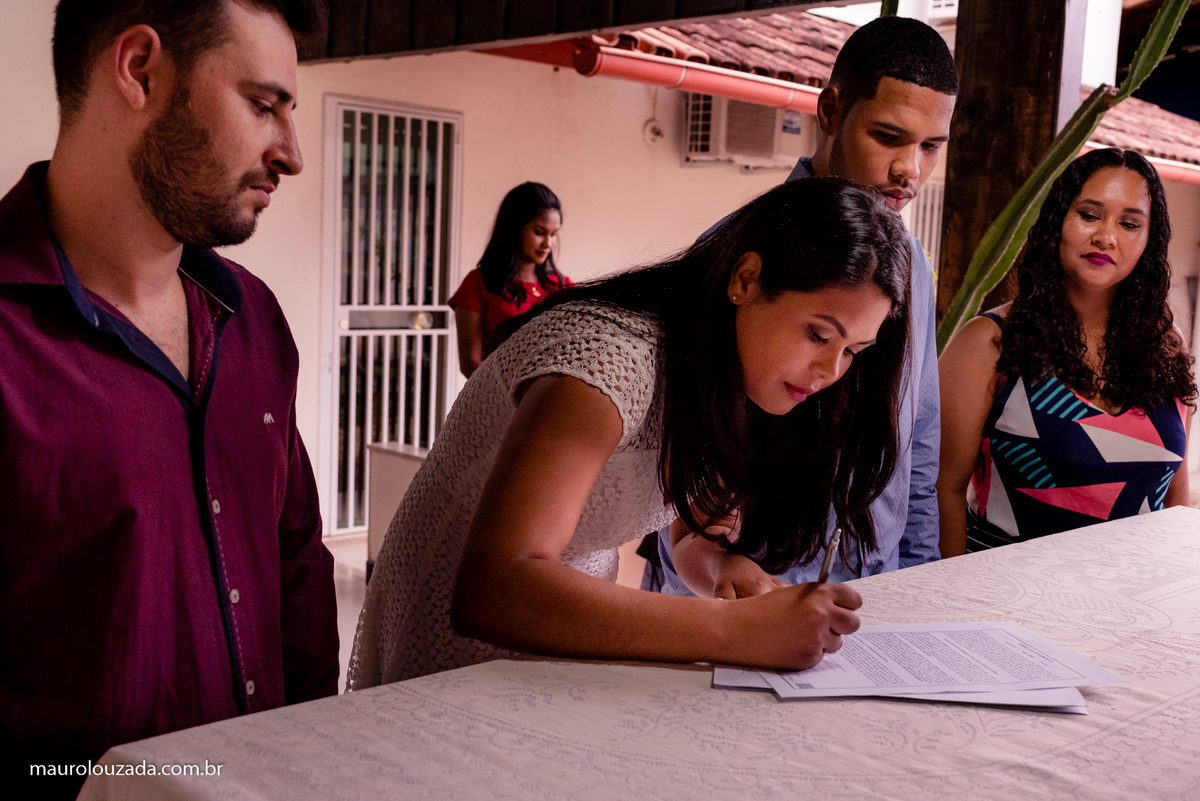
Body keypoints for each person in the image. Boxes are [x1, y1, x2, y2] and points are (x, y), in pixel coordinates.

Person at [349, 177, 912, 687]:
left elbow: (693, 528)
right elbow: (493, 587)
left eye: (853, 352)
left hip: (572, 623)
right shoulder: (605, 360)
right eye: (818, 334)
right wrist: (731, 630)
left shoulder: (733, 371)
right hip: (455, 633)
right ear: (746, 279)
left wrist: (725, 570)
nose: (830, 373)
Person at [0, 0, 336, 793]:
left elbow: (295, 564)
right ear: (140, 69)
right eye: (263, 105)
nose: (290, 153)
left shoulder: (253, 318)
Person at [647, 15, 958, 598]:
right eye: (888, 137)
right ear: (832, 111)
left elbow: (916, 441)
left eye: (931, 147)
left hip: (871, 598)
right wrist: (711, 581)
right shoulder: (733, 255)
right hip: (733, 603)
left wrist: (918, 587)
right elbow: (670, 462)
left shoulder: (912, 266)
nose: (909, 170)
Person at [937, 148, 1195, 556]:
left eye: (1129, 224)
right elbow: (941, 490)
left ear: (1149, 239)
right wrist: (944, 600)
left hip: (1127, 603)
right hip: (1000, 597)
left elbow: (1175, 502)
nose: (1106, 237)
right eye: (1089, 215)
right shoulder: (988, 342)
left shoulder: (1166, 348)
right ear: (1056, 220)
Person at [450, 182, 572, 378]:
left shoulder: (561, 285)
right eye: (539, 232)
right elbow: (470, 362)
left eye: (553, 234)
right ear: (514, 228)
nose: (548, 244)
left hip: (550, 400)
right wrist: (513, 399)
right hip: (497, 399)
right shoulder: (478, 283)